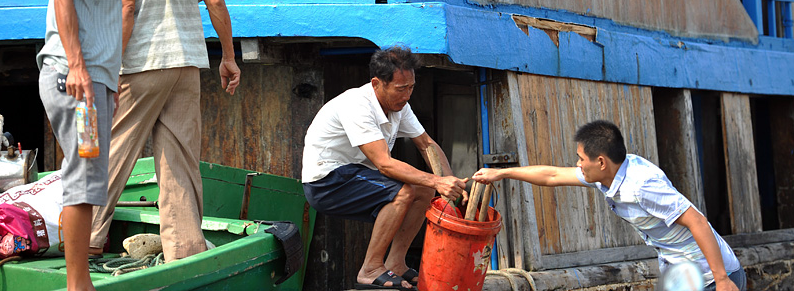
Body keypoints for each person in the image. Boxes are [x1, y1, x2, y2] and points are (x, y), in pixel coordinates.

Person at [89, 0, 241, 261]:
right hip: (187, 63)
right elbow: (216, 2)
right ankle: (185, 248)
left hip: (141, 64)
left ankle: (87, 240)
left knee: (111, 150)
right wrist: (228, 57)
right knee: (179, 160)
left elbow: (126, 8)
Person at [473, 120, 745, 291]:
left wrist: (722, 279)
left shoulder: (642, 185)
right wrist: (502, 173)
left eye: (581, 159)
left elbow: (697, 221)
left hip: (713, 276)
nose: (578, 164)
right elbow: (552, 175)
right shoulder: (608, 175)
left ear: (601, 161)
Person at [36, 0, 129, 291]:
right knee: (84, 177)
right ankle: (79, 285)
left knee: (90, 175)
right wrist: (77, 67)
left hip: (95, 74)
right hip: (75, 76)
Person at [302, 47, 468, 290]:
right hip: (326, 181)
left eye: (411, 87)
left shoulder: (400, 106)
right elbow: (384, 164)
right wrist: (436, 181)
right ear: (377, 83)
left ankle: (396, 263)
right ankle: (370, 269)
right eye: (401, 89)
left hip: (355, 175)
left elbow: (427, 144)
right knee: (404, 191)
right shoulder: (357, 105)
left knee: (423, 191)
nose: (407, 95)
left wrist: (450, 184)